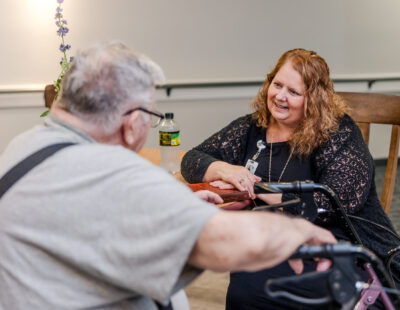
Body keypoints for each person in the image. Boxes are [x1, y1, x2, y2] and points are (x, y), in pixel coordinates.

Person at [0, 43, 336, 310]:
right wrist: (298, 230)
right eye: (151, 113)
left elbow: (85, 218)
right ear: (132, 123)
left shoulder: (24, 145)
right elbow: (222, 241)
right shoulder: (118, 175)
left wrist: (182, 206)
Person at [181, 48, 400, 309]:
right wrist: (227, 170)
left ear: (314, 100)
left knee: (255, 285)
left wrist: (255, 186)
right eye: (277, 84)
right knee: (247, 280)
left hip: (346, 251)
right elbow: (192, 159)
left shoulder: (338, 132)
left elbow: (328, 204)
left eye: (293, 92)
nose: (280, 96)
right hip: (282, 241)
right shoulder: (253, 127)